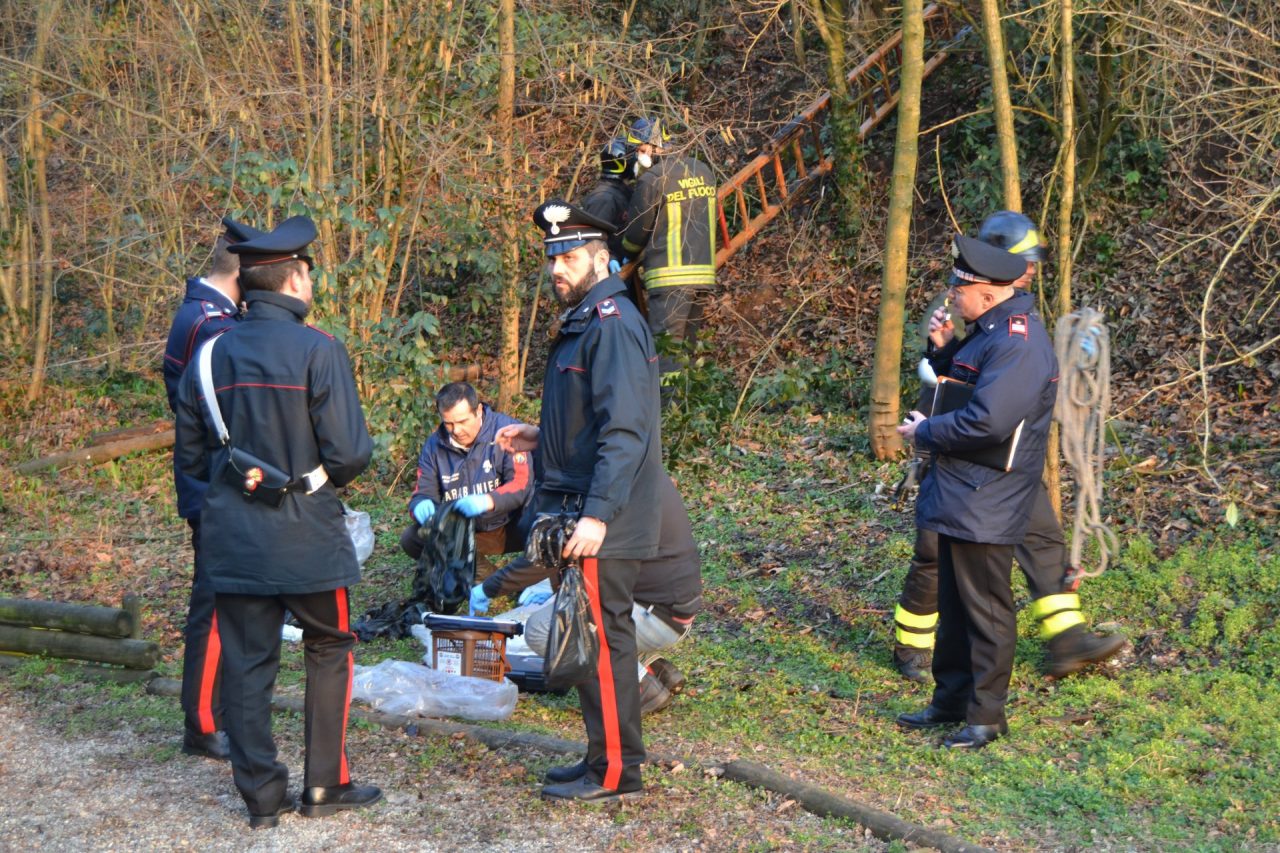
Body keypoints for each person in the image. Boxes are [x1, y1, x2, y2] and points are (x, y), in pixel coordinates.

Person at [175, 215, 382, 827]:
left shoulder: (208, 355)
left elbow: (190, 457)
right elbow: (349, 455)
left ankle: (262, 799)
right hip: (309, 533)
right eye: (309, 272)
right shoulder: (319, 349)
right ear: (295, 281)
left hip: (234, 538)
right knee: (330, 647)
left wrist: (215, 513)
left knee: (246, 661)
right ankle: (325, 784)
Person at [891, 212, 1124, 683]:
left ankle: (1068, 640)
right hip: (962, 457)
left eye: (1034, 264)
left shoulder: (1015, 312)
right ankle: (912, 645)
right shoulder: (965, 300)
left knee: (1041, 538)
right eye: (1025, 262)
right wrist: (941, 350)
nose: (1032, 271)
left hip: (1009, 464)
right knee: (937, 551)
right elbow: (948, 389)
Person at [494, 199, 665, 802]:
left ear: (601, 258)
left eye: (568, 256)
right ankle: (600, 760)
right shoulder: (586, 319)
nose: (557, 268)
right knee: (588, 637)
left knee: (605, 640)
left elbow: (626, 430)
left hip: (606, 515)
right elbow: (595, 420)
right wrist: (544, 438)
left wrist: (596, 515)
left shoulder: (612, 321)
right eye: (552, 258)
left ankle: (617, 772)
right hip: (583, 506)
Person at [894, 235, 1058, 750]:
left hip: (989, 494)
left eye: (958, 287)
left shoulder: (1017, 342)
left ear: (988, 294)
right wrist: (940, 350)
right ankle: (950, 701)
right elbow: (960, 384)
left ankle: (986, 716)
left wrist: (925, 433)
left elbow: (988, 421)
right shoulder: (987, 332)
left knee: (986, 609)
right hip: (961, 490)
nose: (950, 295)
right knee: (956, 605)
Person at [471, 474, 701, 717]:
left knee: (542, 630)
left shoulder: (605, 487)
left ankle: (640, 686)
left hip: (652, 613)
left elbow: (550, 553)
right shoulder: (642, 470)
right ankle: (653, 668)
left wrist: (489, 587)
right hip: (673, 606)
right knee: (573, 608)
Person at [161, 215, 262, 762]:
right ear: (243, 272)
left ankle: (213, 714)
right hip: (214, 487)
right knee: (216, 605)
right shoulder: (213, 325)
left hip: (207, 483)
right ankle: (202, 722)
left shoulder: (202, 312)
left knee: (224, 603)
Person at [399, 381, 532, 580]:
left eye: (462, 421)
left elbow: (521, 484)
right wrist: (421, 505)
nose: (457, 430)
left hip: (513, 524)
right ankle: (485, 575)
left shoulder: (506, 431)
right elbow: (422, 492)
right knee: (412, 539)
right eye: (449, 423)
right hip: (469, 531)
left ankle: (529, 576)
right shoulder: (434, 447)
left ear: (478, 411)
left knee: (542, 521)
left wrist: (487, 501)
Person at [619, 117, 717, 379]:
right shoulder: (703, 170)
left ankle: (668, 413)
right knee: (689, 347)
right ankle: (690, 412)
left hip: (670, 279)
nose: (638, 156)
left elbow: (636, 234)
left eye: (640, 149)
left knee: (666, 354)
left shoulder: (653, 180)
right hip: (703, 274)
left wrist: (624, 254)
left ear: (655, 146)